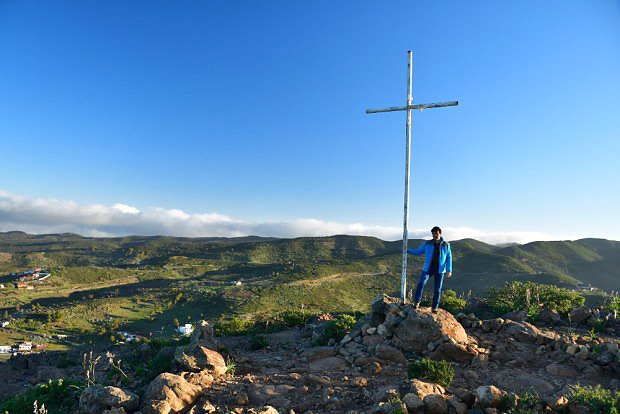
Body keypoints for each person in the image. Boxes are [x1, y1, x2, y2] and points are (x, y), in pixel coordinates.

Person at [407, 226, 452, 313]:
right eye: (433, 234)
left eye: (436, 233)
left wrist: (449, 270)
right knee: (421, 283)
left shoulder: (446, 245)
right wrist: (408, 250)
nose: (435, 235)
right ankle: (416, 303)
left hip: (440, 269)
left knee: (437, 289)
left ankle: (434, 307)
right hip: (428, 268)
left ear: (440, 233)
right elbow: (418, 251)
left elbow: (449, 258)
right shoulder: (427, 243)